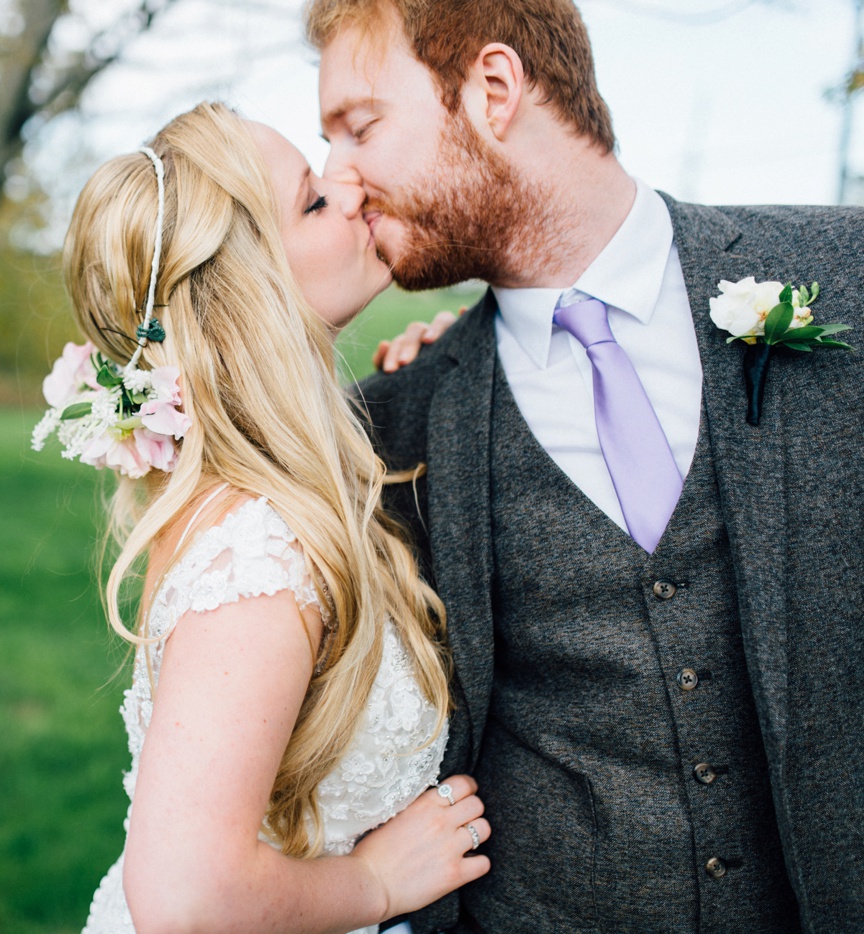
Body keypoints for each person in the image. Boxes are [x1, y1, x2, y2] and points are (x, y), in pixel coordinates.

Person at [304, 0, 864, 931]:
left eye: (360, 127)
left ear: (493, 90)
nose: (340, 179)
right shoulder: (392, 427)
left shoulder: (842, 275)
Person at [33, 102, 491, 934]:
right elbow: (186, 898)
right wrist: (375, 885)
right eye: (313, 201)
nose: (353, 191)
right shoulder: (260, 551)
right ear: (249, 289)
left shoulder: (283, 489)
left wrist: (423, 391)